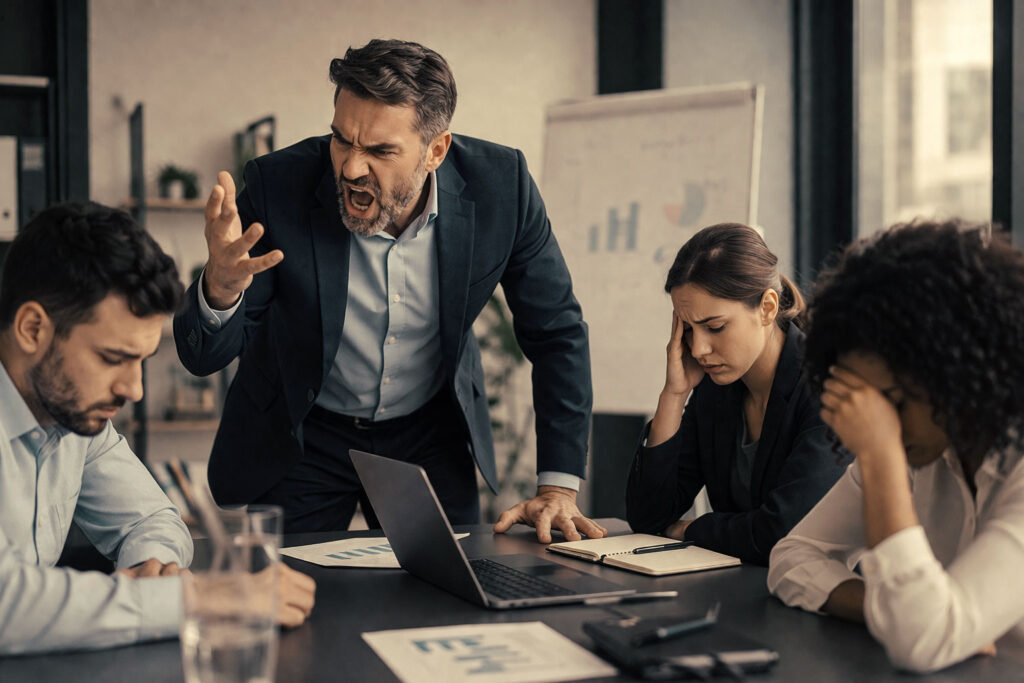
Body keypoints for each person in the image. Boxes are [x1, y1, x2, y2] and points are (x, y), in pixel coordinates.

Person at [174, 39, 602, 542]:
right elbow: (202, 358)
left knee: (445, 595)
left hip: (427, 430)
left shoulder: (502, 188)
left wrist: (558, 488)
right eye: (341, 140)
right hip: (307, 432)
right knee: (284, 597)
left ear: (436, 150)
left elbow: (557, 333)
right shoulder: (278, 187)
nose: (351, 168)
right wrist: (221, 290)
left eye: (379, 150)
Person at [0, 202, 314, 655]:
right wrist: (197, 598)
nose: (134, 390)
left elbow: (153, 520)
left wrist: (155, 570)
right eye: (113, 359)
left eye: (142, 361)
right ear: (33, 328)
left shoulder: (74, 416)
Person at [767, 220, 1024, 672]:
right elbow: (792, 558)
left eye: (895, 400)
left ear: (956, 373)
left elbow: (923, 641)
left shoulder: (894, 448)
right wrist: (888, 612)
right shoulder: (920, 443)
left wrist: (880, 452)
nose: (879, 422)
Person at [625, 223, 850, 565]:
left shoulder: (827, 389)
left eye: (715, 327)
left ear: (767, 307)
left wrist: (691, 530)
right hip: (742, 593)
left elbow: (782, 532)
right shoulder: (717, 391)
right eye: (688, 329)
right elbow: (648, 517)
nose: (698, 349)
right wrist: (674, 395)